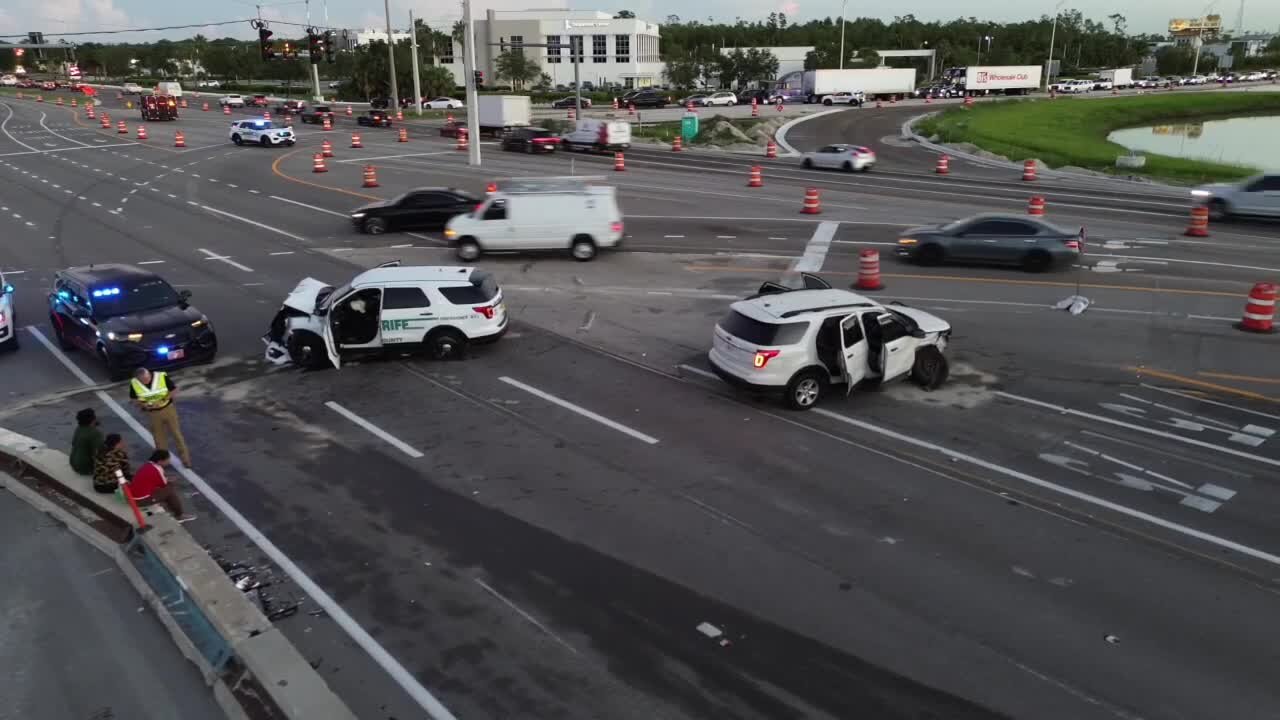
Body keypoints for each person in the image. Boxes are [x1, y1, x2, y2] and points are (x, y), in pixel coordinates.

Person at [129, 367, 193, 470]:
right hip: (152, 413)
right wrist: (143, 405)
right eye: (142, 381)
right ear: (138, 379)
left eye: (147, 379)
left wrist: (163, 399)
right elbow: (133, 399)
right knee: (159, 439)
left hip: (168, 409)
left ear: (149, 374)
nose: (145, 382)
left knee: (176, 434)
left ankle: (186, 460)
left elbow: (174, 390)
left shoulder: (161, 376)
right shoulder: (134, 383)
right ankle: (163, 461)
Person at [127, 449, 194, 522]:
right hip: (140, 500)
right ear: (160, 461)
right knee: (170, 490)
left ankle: (171, 507)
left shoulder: (148, 464)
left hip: (131, 496)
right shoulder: (158, 469)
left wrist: (165, 479)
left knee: (165, 489)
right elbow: (164, 484)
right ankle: (180, 515)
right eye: (167, 460)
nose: (169, 461)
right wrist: (169, 481)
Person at [69, 408, 104, 476]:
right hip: (85, 467)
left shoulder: (78, 429)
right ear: (93, 419)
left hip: (73, 462)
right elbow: (99, 453)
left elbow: (74, 443)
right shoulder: (95, 433)